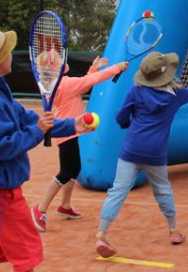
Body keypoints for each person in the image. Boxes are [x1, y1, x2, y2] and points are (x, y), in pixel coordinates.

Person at [0, 26, 95, 272]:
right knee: (26, 254)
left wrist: (72, 125)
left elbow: (31, 121)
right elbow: (1, 147)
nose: (12, 55)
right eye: (8, 51)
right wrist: (37, 132)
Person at [93, 51, 188, 258]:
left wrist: (128, 124)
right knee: (162, 189)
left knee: (117, 191)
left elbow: (121, 117)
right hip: (155, 154)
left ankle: (101, 233)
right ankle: (173, 230)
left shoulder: (136, 92)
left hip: (131, 150)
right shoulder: (176, 95)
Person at [31, 54, 129, 232]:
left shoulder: (55, 84)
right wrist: (117, 68)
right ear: (54, 68)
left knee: (74, 169)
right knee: (66, 172)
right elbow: (92, 80)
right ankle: (40, 209)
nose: (63, 59)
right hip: (67, 132)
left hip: (67, 131)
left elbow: (84, 83)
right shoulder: (67, 83)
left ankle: (65, 206)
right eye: (60, 59)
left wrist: (93, 68)